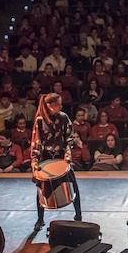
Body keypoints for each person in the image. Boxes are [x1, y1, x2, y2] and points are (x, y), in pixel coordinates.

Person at [30, 92, 83, 231]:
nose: (61, 106)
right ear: (49, 105)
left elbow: (69, 138)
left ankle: (78, 215)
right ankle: (40, 219)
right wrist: (34, 160)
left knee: (73, 185)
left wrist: (67, 155)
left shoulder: (63, 117)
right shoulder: (40, 120)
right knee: (41, 189)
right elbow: (36, 142)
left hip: (61, 156)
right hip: (46, 157)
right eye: (58, 104)